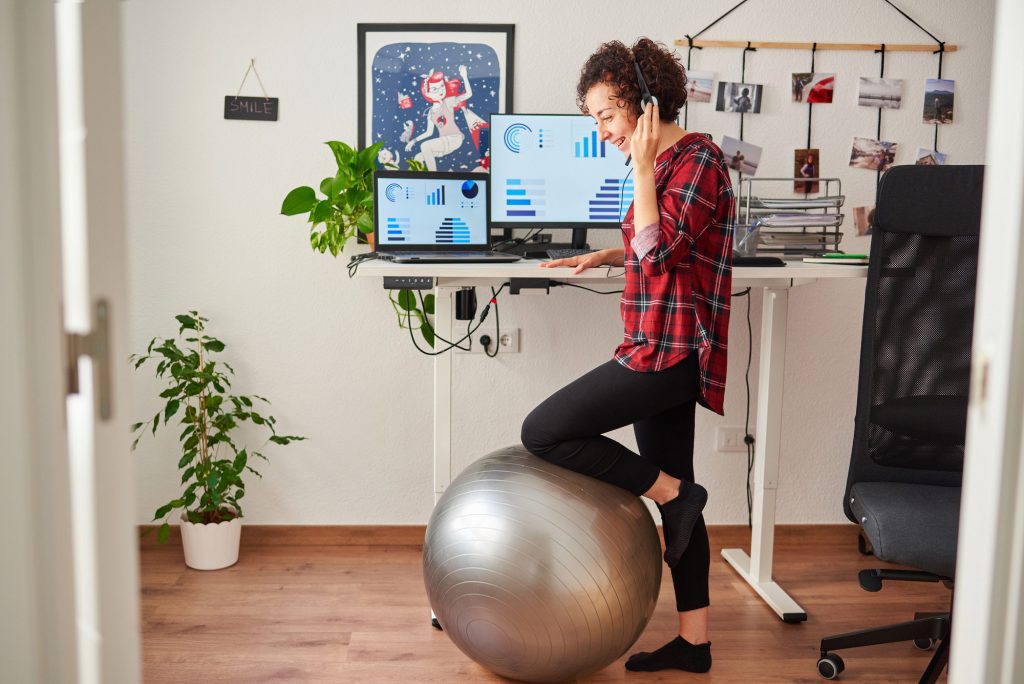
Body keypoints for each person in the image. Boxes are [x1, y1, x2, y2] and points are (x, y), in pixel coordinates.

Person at [520, 37, 735, 674]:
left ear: (644, 104)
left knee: (544, 431)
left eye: (607, 116)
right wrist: (605, 256)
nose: (602, 132)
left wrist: (640, 171)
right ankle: (696, 644)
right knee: (677, 498)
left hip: (669, 355)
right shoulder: (664, 164)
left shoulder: (697, 161)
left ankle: (675, 492)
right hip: (651, 342)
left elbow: (663, 253)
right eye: (594, 120)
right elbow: (651, 245)